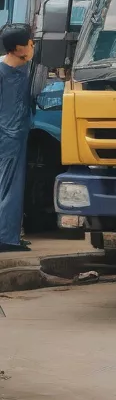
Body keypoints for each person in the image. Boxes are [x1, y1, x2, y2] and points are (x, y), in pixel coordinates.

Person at [0, 24, 35, 253]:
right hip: (6, 137)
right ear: (18, 48)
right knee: (7, 186)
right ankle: (5, 238)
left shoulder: (28, 69)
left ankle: (10, 235)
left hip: (17, 134)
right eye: (31, 43)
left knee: (14, 187)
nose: (33, 46)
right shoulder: (3, 71)